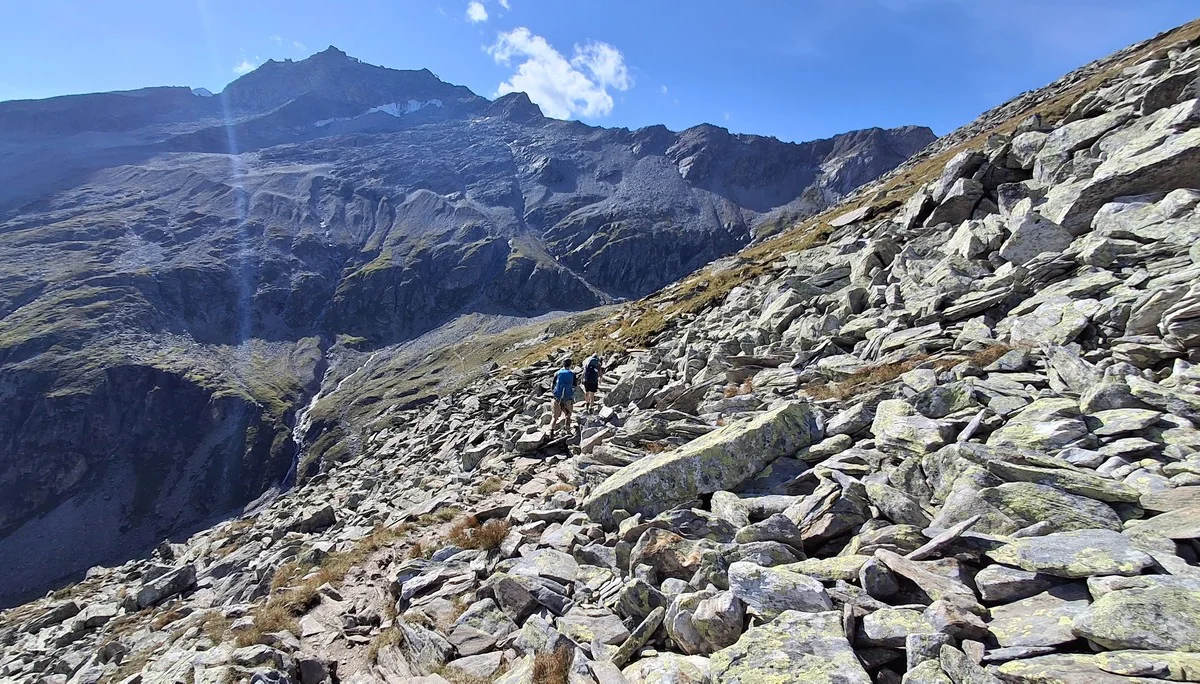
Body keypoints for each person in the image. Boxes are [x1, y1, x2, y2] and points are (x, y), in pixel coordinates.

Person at [549, 358, 578, 435]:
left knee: (554, 417)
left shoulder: (557, 373)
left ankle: (551, 432)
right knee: (568, 415)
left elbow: (552, 385)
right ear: (570, 364)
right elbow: (575, 386)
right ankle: (568, 431)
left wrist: (554, 393)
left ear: (563, 364)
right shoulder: (572, 374)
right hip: (568, 398)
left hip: (557, 399)